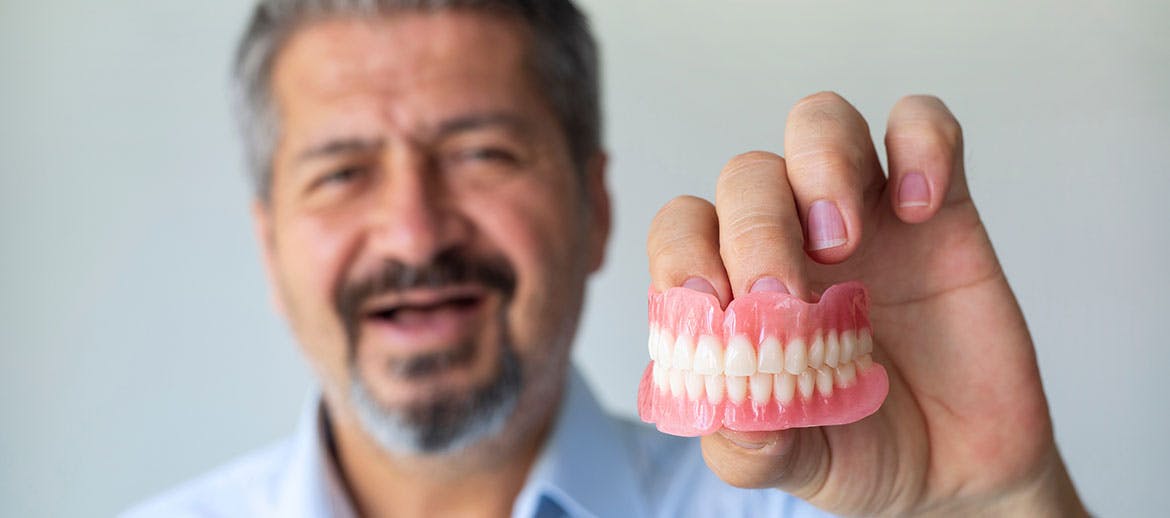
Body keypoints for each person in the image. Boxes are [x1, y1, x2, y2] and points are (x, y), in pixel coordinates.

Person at [125, 0, 1089, 516]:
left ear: (595, 206)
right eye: (341, 173)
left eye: (480, 154)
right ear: (270, 243)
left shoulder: (828, 513)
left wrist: (993, 507)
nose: (416, 234)